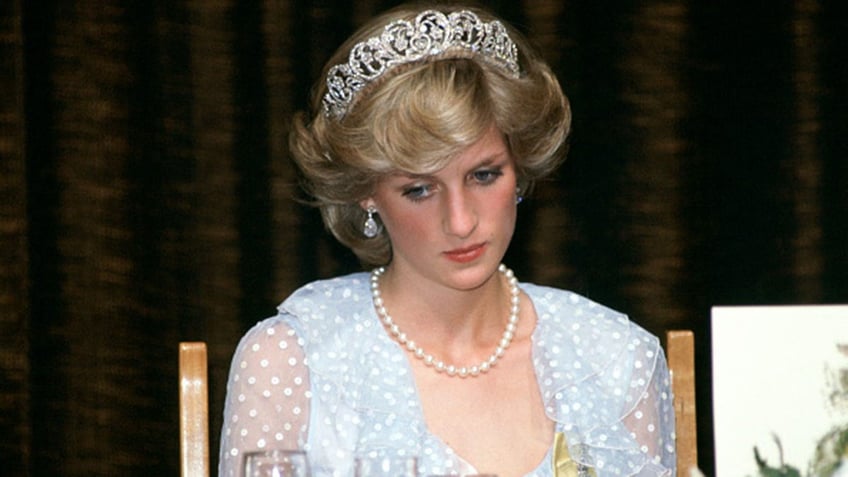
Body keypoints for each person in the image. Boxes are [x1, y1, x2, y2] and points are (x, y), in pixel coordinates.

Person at [219, 4, 676, 476]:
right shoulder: (292, 363)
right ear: (365, 194)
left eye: (484, 175)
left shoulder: (616, 360)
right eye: (419, 189)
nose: (460, 222)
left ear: (519, 169)